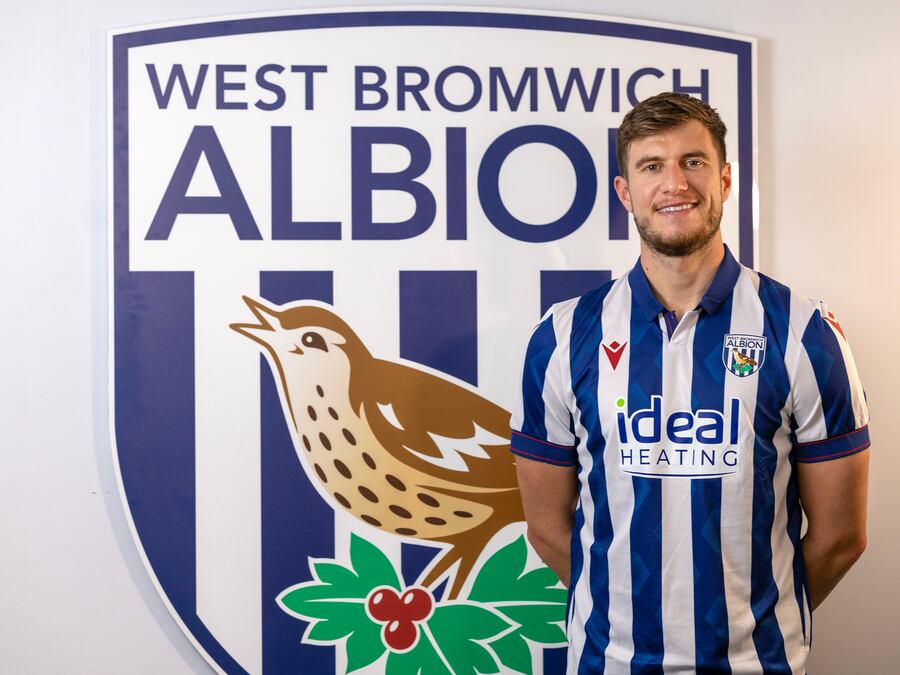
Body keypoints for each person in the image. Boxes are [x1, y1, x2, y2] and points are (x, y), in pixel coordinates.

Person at [510, 92, 870, 674]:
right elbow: (550, 530)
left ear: (725, 180)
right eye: (652, 166)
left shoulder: (803, 332)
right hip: (607, 661)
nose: (674, 183)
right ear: (626, 191)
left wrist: (759, 627)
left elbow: (841, 538)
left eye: (694, 162)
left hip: (759, 665)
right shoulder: (561, 336)